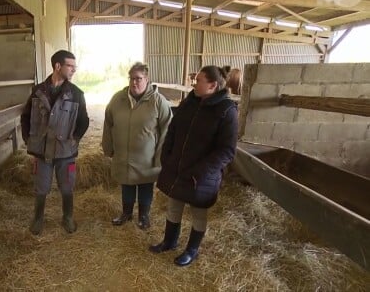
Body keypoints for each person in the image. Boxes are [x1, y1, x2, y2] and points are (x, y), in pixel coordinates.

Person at [149, 65, 238, 266]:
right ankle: (169, 242)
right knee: (174, 206)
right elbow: (173, 129)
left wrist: (200, 172)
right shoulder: (190, 101)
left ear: (212, 85)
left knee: (198, 213)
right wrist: (167, 156)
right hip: (177, 167)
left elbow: (226, 151)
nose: (194, 83)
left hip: (201, 175)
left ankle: (192, 250)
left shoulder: (226, 111)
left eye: (198, 80)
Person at [20, 50, 89, 235]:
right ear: (58, 66)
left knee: (67, 186)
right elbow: (25, 116)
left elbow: (84, 121)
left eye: (75, 67)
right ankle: (38, 218)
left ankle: (67, 217)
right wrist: (28, 138)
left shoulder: (76, 94)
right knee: (41, 187)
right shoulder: (37, 91)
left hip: (65, 152)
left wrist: (74, 140)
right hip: (42, 152)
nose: (74, 70)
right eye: (70, 66)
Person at [102, 62, 172, 230]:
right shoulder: (118, 99)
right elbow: (108, 123)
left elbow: (167, 130)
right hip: (123, 155)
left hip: (146, 158)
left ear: (147, 79)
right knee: (126, 183)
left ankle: (143, 215)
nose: (134, 82)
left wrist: (160, 156)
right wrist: (108, 147)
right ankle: (126, 213)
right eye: (132, 78)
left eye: (139, 79)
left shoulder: (158, 101)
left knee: (145, 185)